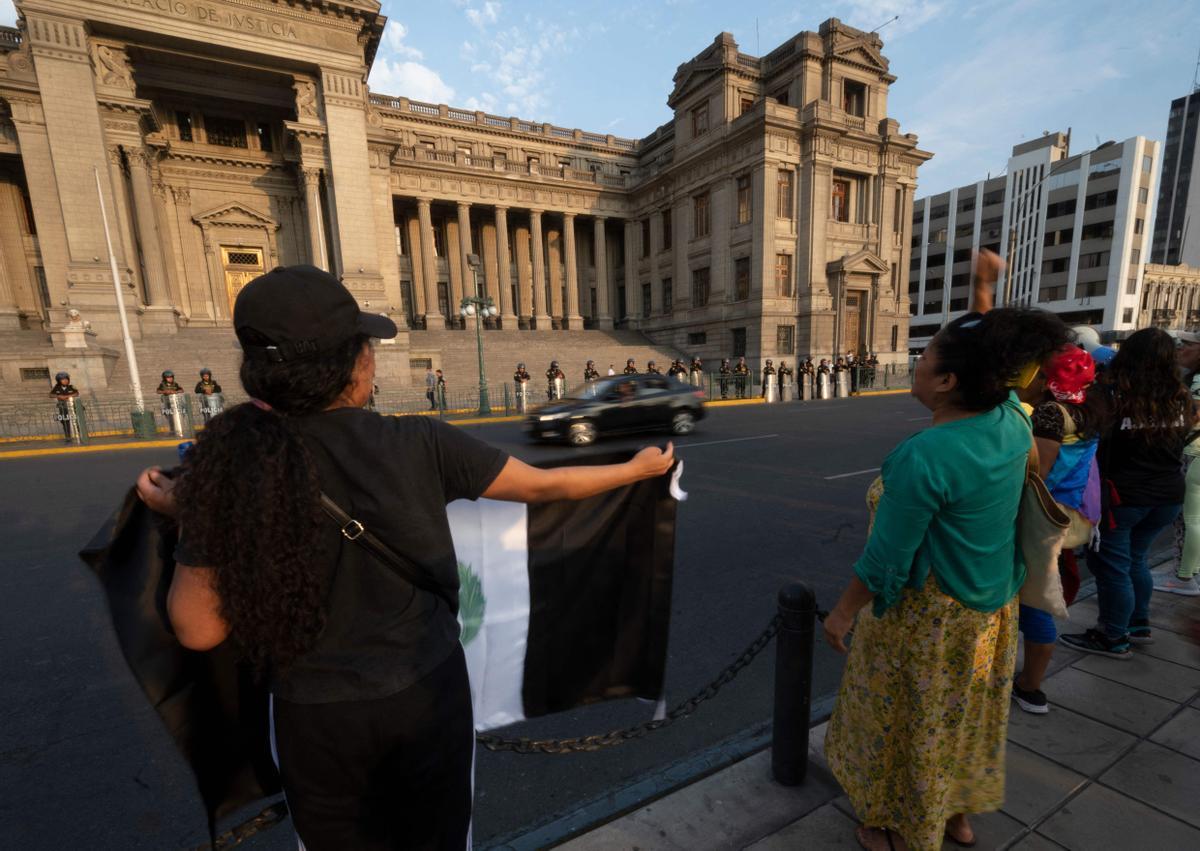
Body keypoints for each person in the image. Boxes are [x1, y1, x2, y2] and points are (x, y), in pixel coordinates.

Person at [134, 265, 676, 849]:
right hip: (424, 693)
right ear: (354, 364)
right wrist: (636, 469)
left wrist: (194, 515)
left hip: (313, 715)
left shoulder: (229, 469)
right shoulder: (420, 441)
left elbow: (197, 628)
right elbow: (545, 488)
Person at [823, 250, 1071, 851]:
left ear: (946, 381)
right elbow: (995, 363)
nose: (917, 362)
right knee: (964, 720)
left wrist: (843, 612)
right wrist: (982, 290)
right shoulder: (1011, 418)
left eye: (926, 356)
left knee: (906, 721)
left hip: (927, 618)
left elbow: (887, 560)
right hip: (989, 613)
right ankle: (956, 811)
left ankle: (897, 823)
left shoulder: (925, 456)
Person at [1061, 328, 1194, 657]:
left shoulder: (1115, 394)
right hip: (1166, 495)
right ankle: (1138, 624)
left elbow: (1091, 437)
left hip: (1123, 496)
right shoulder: (1180, 397)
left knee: (1112, 566)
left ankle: (1112, 635)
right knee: (1136, 560)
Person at [1012, 346, 1104, 714]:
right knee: (1040, 591)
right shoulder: (1089, 408)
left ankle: (1030, 687)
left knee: (1033, 596)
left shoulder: (1051, 413)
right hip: (1073, 513)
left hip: (1046, 516)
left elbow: (1037, 473)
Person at [1156, 331, 1200, 596]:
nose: (1181, 349)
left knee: (1189, 518)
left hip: (1194, 452)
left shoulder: (1197, 382)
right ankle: (1190, 569)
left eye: (1188, 345)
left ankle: (1183, 577)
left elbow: (1194, 417)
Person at [50, 372, 80, 442]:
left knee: (76, 420)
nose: (65, 381)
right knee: (65, 421)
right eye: (63, 379)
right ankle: (68, 437)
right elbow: (51, 395)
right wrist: (58, 396)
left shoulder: (71, 387)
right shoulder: (56, 387)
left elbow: (76, 393)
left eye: (66, 379)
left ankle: (79, 434)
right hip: (63, 407)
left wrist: (66, 396)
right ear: (59, 381)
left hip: (72, 407)